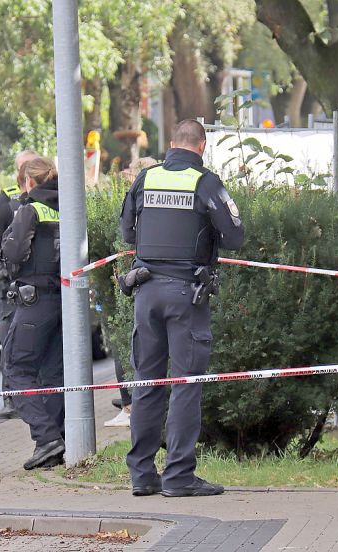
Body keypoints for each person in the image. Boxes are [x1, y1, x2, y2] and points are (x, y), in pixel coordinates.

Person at [119, 119, 245, 497]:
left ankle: (142, 475)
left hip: (146, 293)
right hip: (186, 297)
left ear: (172, 143)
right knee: (186, 385)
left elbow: (127, 232)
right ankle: (178, 476)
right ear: (202, 146)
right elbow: (235, 235)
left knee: (147, 382)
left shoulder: (145, 180)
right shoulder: (205, 182)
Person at [0, 156, 65, 469]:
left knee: (16, 370)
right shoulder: (65, 206)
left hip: (34, 300)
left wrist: (7, 239)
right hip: (60, 299)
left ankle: (46, 436)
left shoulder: (30, 208)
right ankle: (55, 442)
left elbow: (13, 252)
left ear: (28, 181)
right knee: (53, 374)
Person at [0, 149, 38, 420]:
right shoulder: (47, 200)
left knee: (11, 338)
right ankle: (18, 397)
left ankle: (13, 398)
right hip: (28, 283)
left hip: (11, 282)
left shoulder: (6, 201)